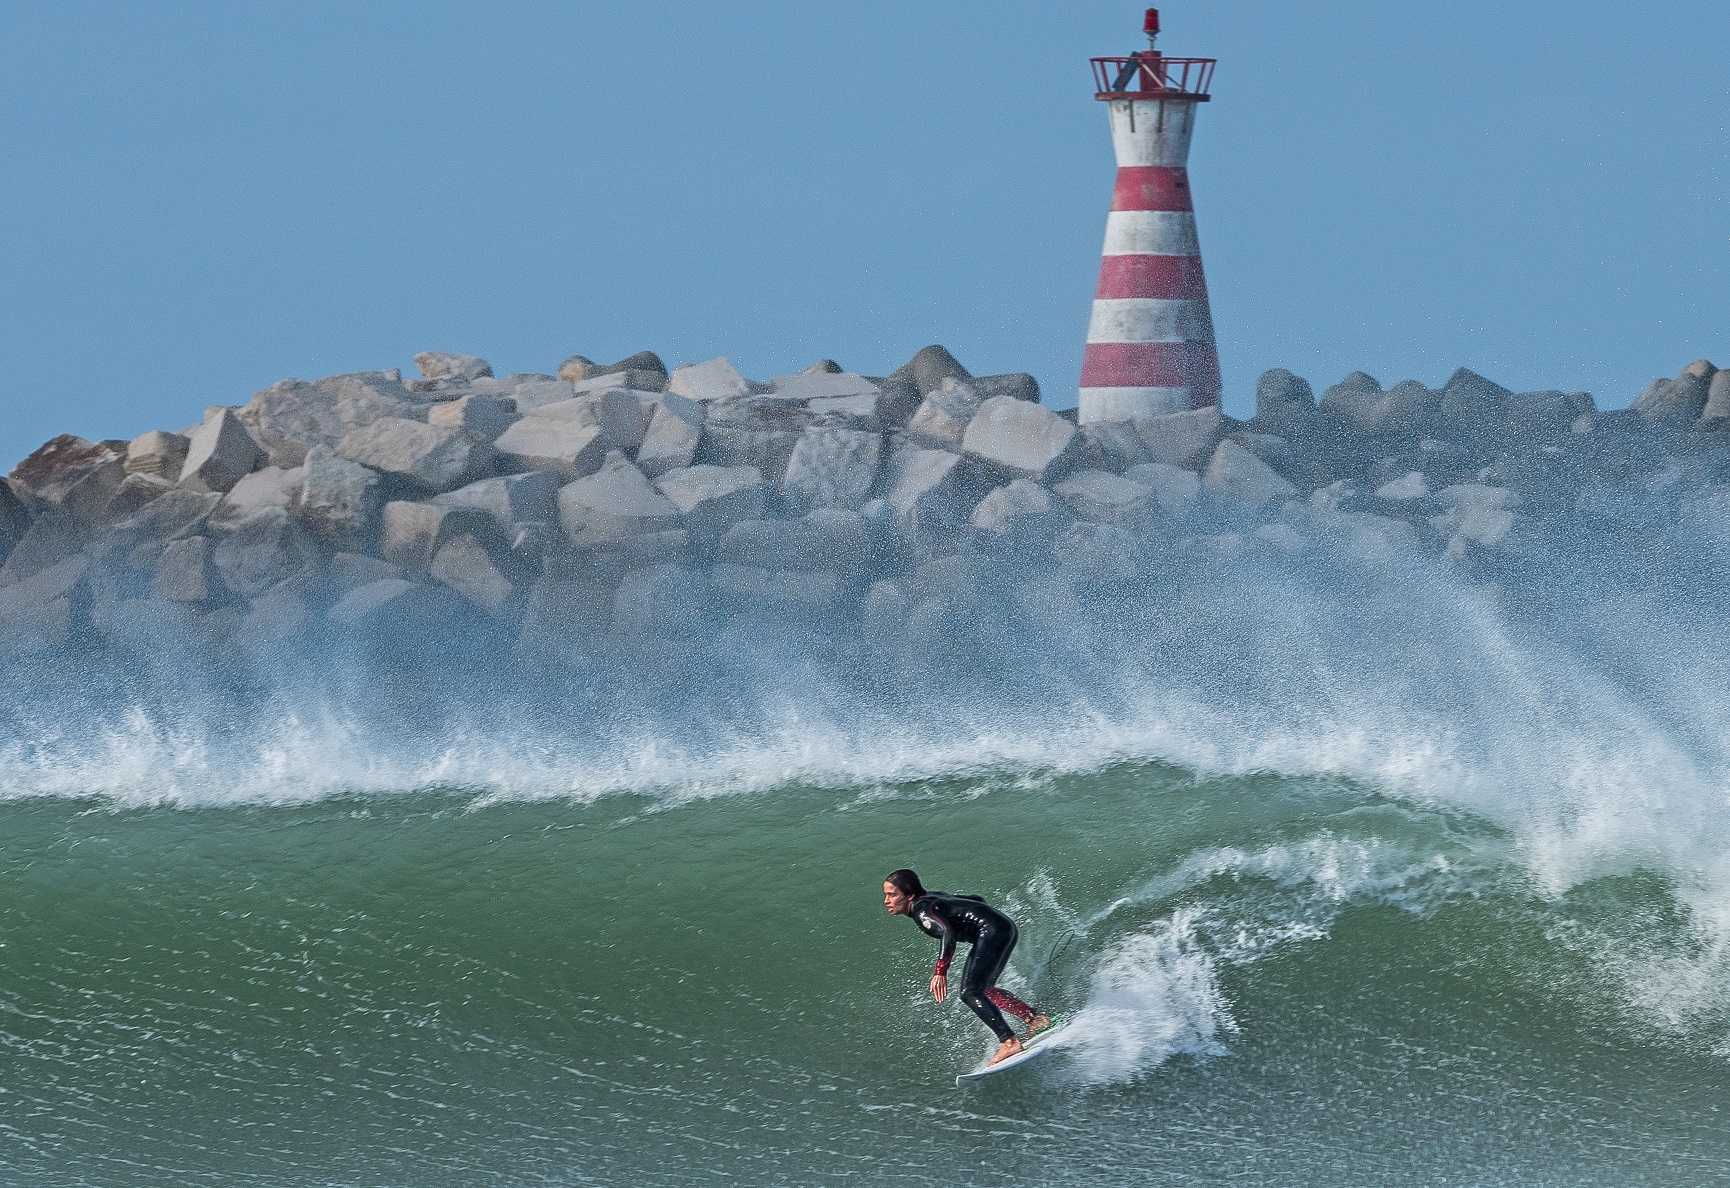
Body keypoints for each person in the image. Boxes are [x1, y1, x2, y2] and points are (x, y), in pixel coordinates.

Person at [882, 868, 1051, 1066]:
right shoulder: (931, 897)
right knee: (984, 989)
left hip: (991, 932)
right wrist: (987, 914)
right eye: (886, 895)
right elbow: (975, 899)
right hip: (1004, 927)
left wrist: (940, 972)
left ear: (909, 895)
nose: (886, 900)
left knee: (969, 992)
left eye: (892, 895)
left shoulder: (921, 911)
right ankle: (1034, 1019)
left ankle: (1009, 1041)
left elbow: (948, 933)